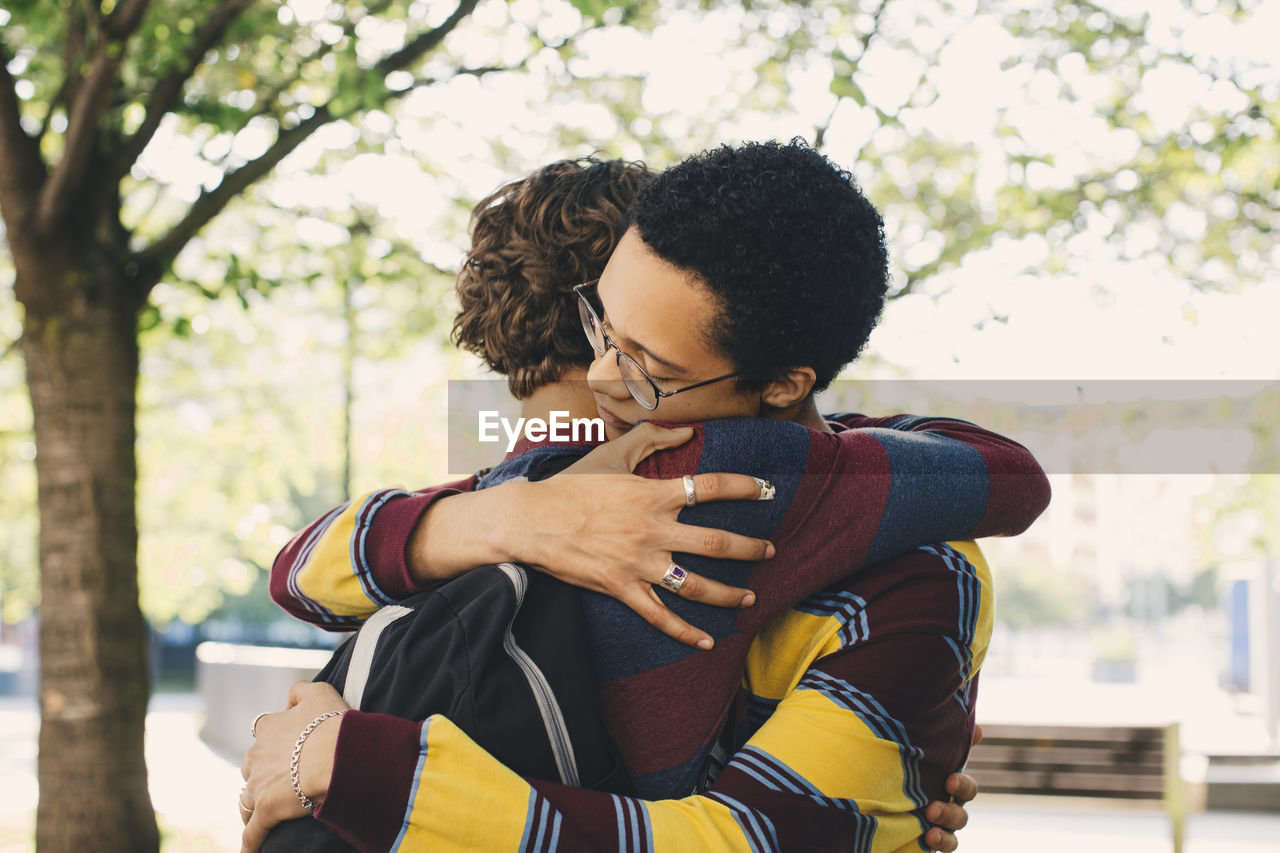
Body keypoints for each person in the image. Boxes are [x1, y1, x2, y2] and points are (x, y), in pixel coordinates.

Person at [243, 144, 1049, 851]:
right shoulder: (554, 503)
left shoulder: (909, 571)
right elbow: (300, 570)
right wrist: (516, 515)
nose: (602, 382)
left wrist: (341, 761)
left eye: (643, 372)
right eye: (602, 329)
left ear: (778, 381)